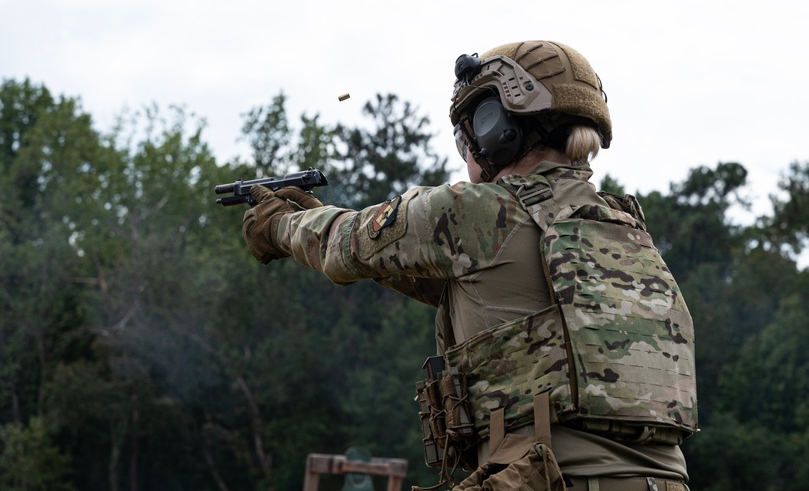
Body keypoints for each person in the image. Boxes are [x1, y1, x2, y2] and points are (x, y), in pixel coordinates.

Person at [241, 40, 696, 491]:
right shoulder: (625, 231)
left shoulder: (476, 211)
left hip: (548, 479)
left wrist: (280, 223)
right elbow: (474, 292)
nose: (470, 156)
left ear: (497, 126)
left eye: (468, 138)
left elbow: (346, 244)